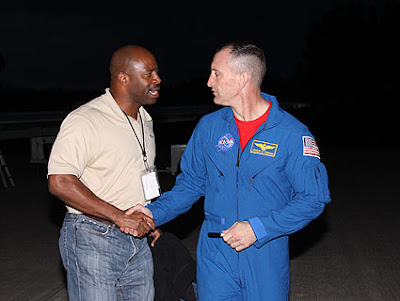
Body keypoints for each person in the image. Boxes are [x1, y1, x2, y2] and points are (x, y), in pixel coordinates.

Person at [124, 42, 331, 300]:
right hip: (215, 252)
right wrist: (152, 213)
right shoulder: (209, 128)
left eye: (216, 73)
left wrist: (258, 228)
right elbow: (190, 185)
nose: (209, 81)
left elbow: (313, 198)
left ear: (242, 79)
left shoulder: (291, 134)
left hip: (264, 249)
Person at [48, 45, 161, 301]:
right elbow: (60, 181)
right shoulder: (86, 119)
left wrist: (152, 217)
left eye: (157, 72)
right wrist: (119, 216)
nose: (157, 80)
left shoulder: (145, 119)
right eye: (149, 74)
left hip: (137, 237)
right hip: (93, 237)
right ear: (123, 77)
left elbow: (140, 173)